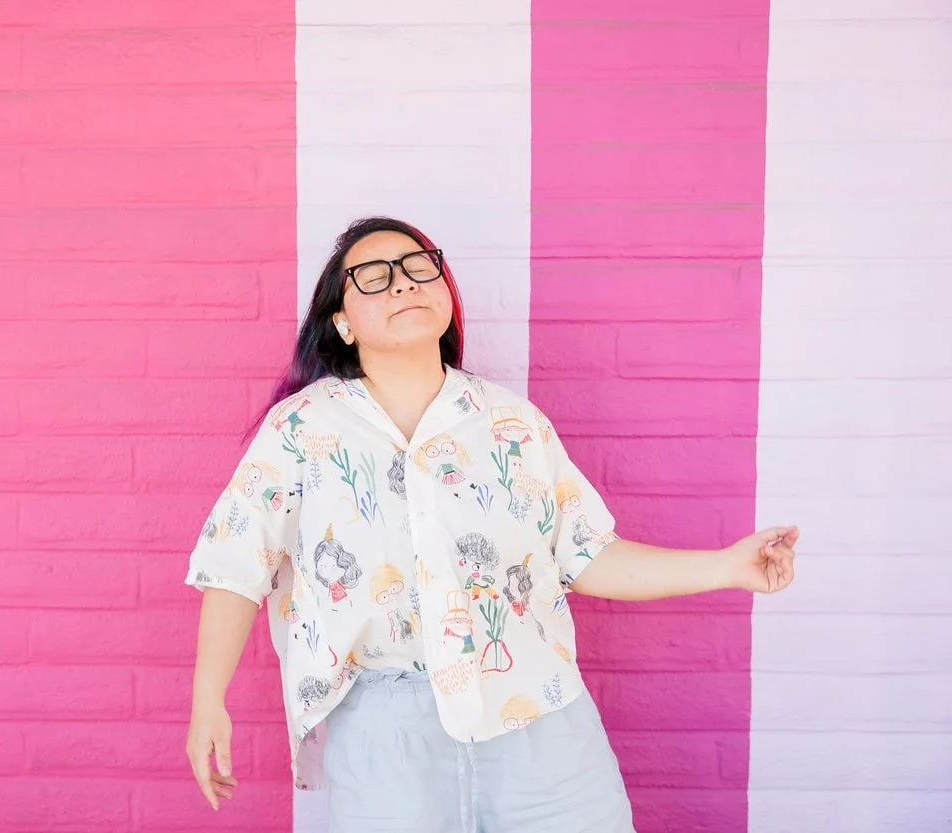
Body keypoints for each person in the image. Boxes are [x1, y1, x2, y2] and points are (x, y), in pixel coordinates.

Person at [183, 216, 798, 833]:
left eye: (418, 267)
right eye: (374, 277)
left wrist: (727, 566)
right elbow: (235, 564)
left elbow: (587, 555)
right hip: (385, 735)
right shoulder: (300, 429)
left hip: (540, 721)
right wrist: (208, 700)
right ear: (342, 322)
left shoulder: (513, 423)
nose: (404, 284)